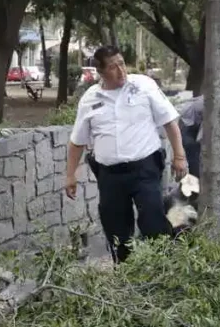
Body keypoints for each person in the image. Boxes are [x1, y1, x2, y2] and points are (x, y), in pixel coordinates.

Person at [65, 45, 188, 264]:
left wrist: (179, 156)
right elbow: (77, 141)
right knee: (116, 230)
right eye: (113, 67)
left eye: (122, 63)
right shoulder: (90, 99)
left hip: (145, 168)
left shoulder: (143, 86)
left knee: (152, 221)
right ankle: (126, 275)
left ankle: (163, 268)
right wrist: (70, 175)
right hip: (110, 176)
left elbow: (169, 121)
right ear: (101, 73)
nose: (121, 70)